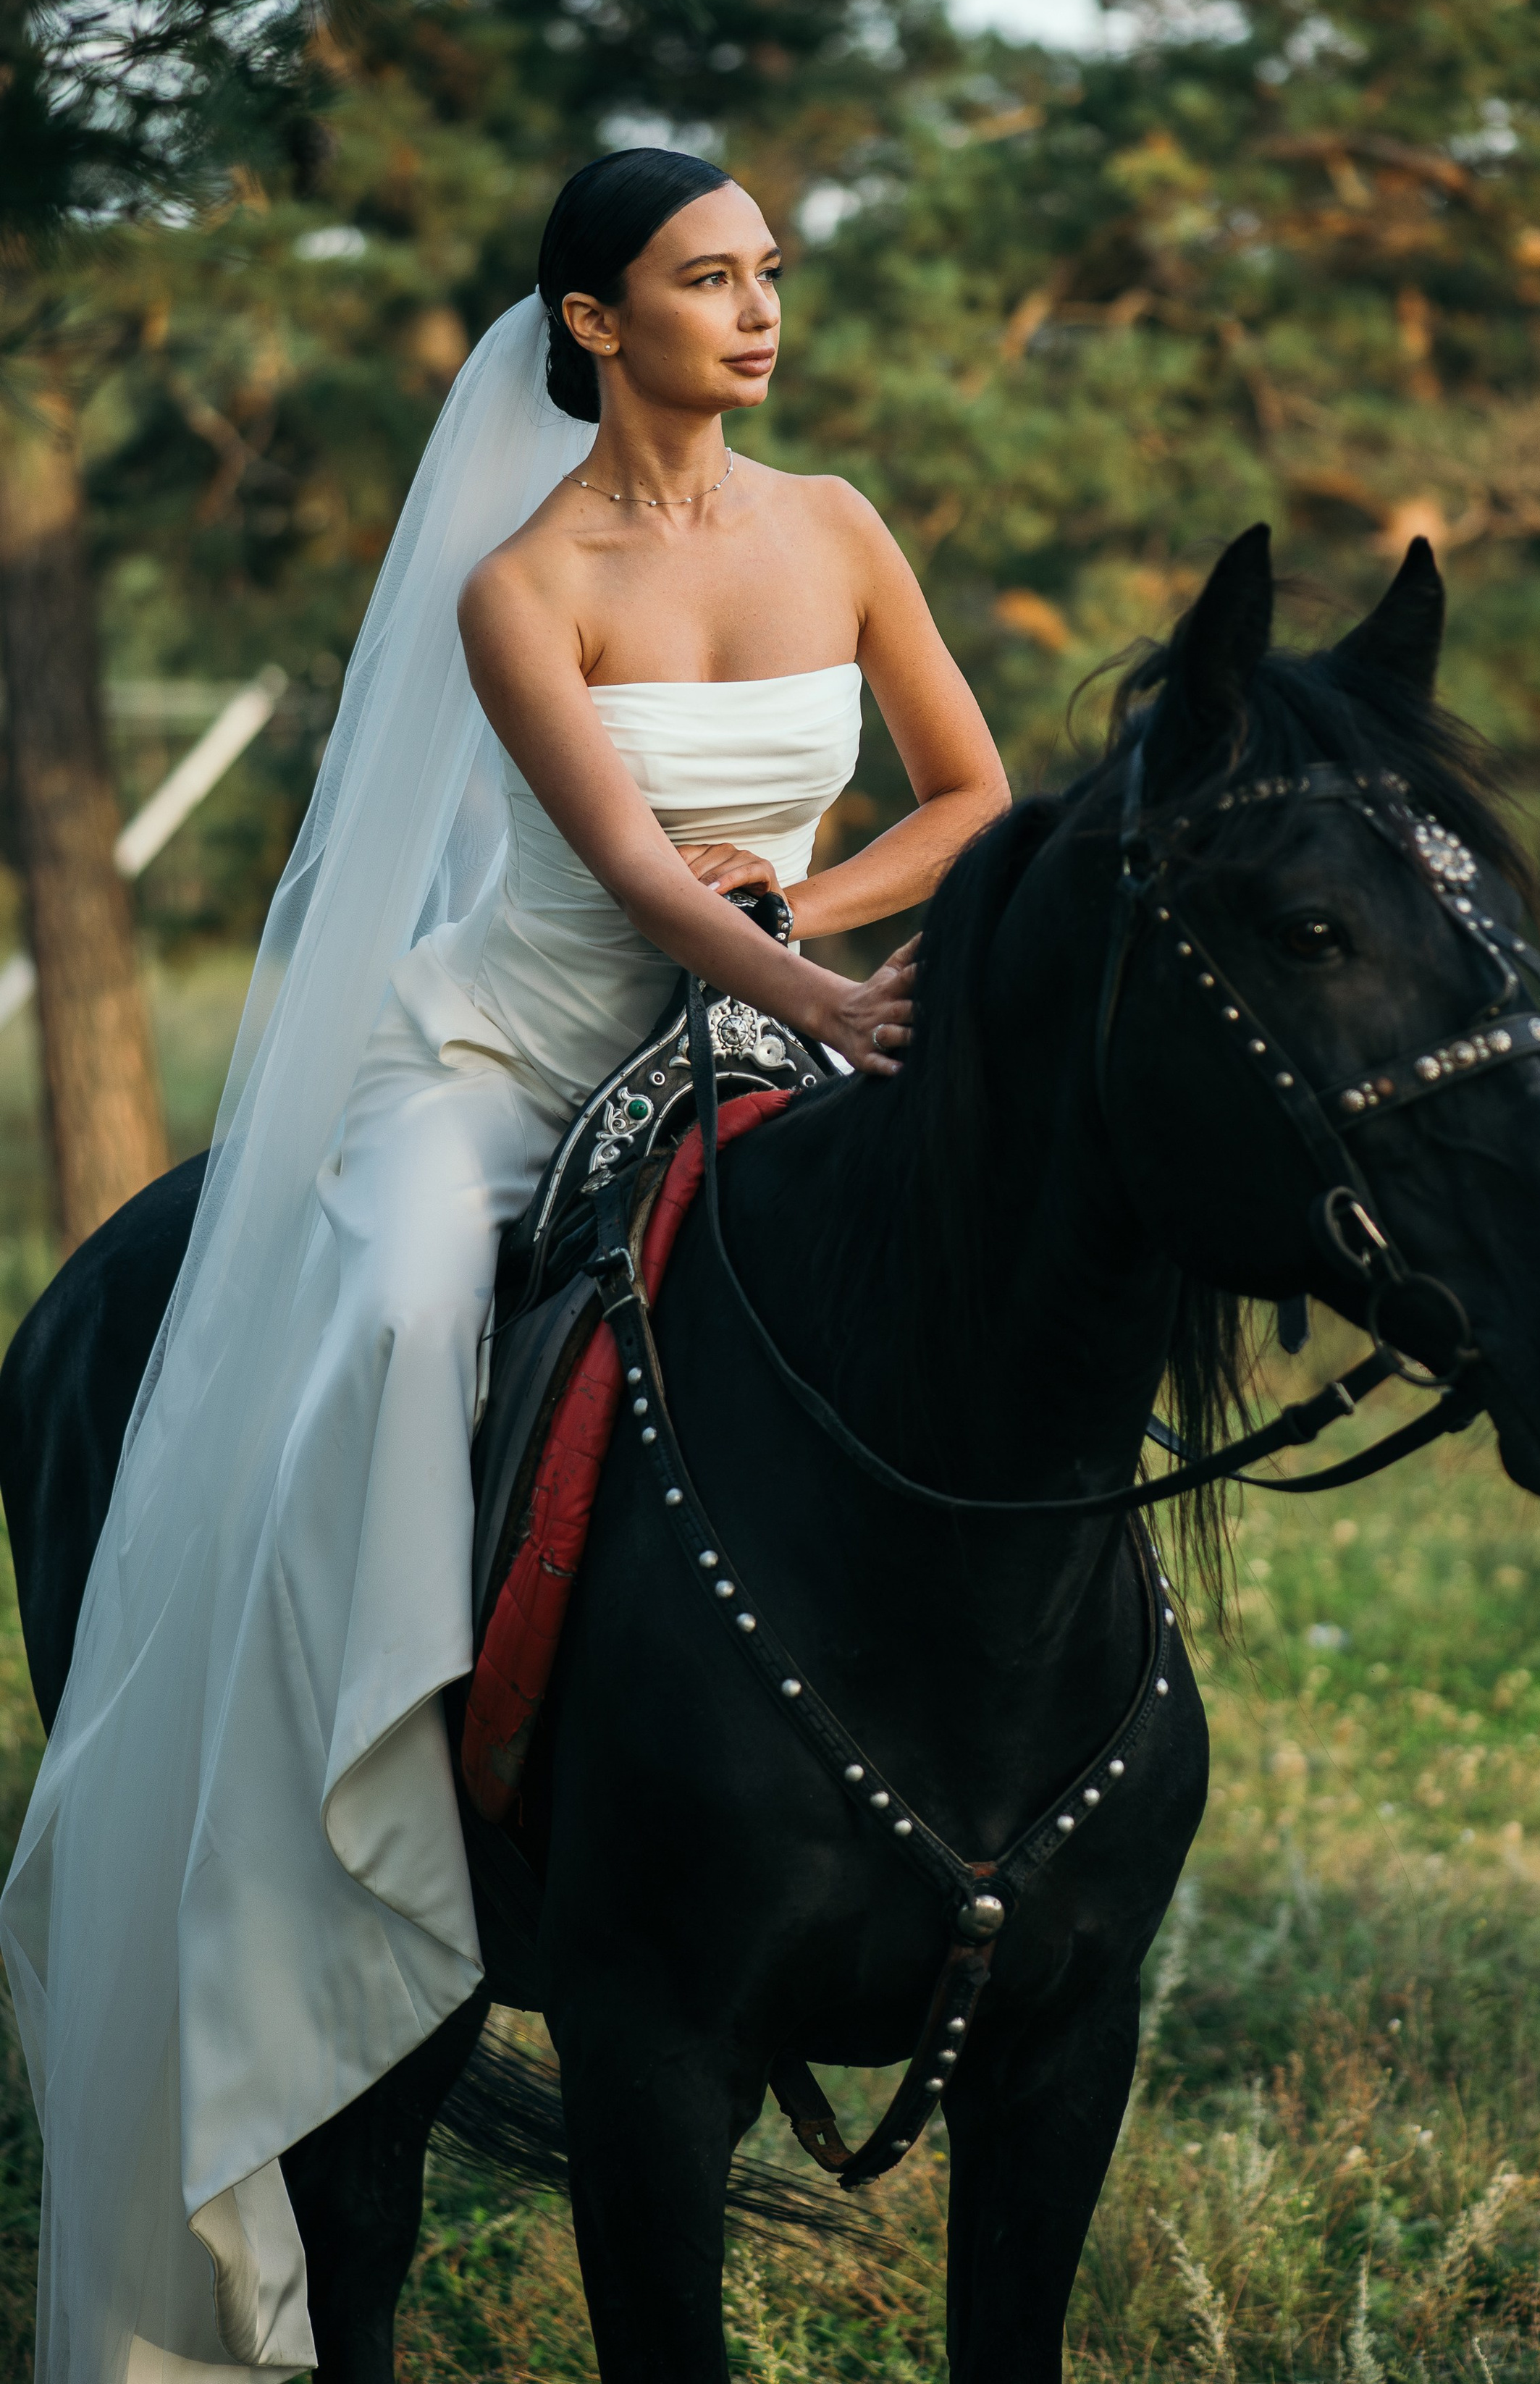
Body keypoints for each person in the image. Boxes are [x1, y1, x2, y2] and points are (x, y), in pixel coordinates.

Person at [0, 148, 1009, 2383]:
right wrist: (802, 986)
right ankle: (375, 1750)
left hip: (772, 1009)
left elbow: (973, 797)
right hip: (523, 1044)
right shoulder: (521, 579)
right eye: (705, 278)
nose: (758, 313)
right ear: (590, 318)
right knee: (392, 1306)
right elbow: (630, 873)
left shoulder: (837, 526)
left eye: (767, 274)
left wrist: (816, 935)